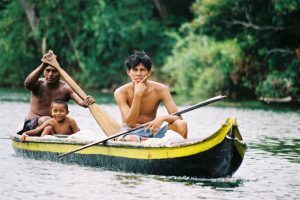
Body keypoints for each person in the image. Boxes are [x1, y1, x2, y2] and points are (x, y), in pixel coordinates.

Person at [114, 50, 187, 142]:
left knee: (182, 124)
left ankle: (180, 152)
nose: (138, 74)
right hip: (130, 133)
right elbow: (131, 123)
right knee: (131, 139)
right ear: (128, 72)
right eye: (135, 70)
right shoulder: (120, 92)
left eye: (142, 70)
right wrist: (137, 95)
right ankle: (148, 143)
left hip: (153, 130)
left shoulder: (161, 89)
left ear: (149, 72)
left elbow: (179, 117)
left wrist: (162, 118)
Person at [17, 51, 95, 135]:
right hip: (32, 124)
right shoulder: (37, 83)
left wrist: (88, 100)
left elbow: (82, 103)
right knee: (47, 120)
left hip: (55, 125)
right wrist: (44, 64)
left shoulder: (66, 88)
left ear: (60, 73)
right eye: (47, 70)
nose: (50, 74)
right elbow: (27, 84)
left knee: (70, 124)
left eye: (54, 71)